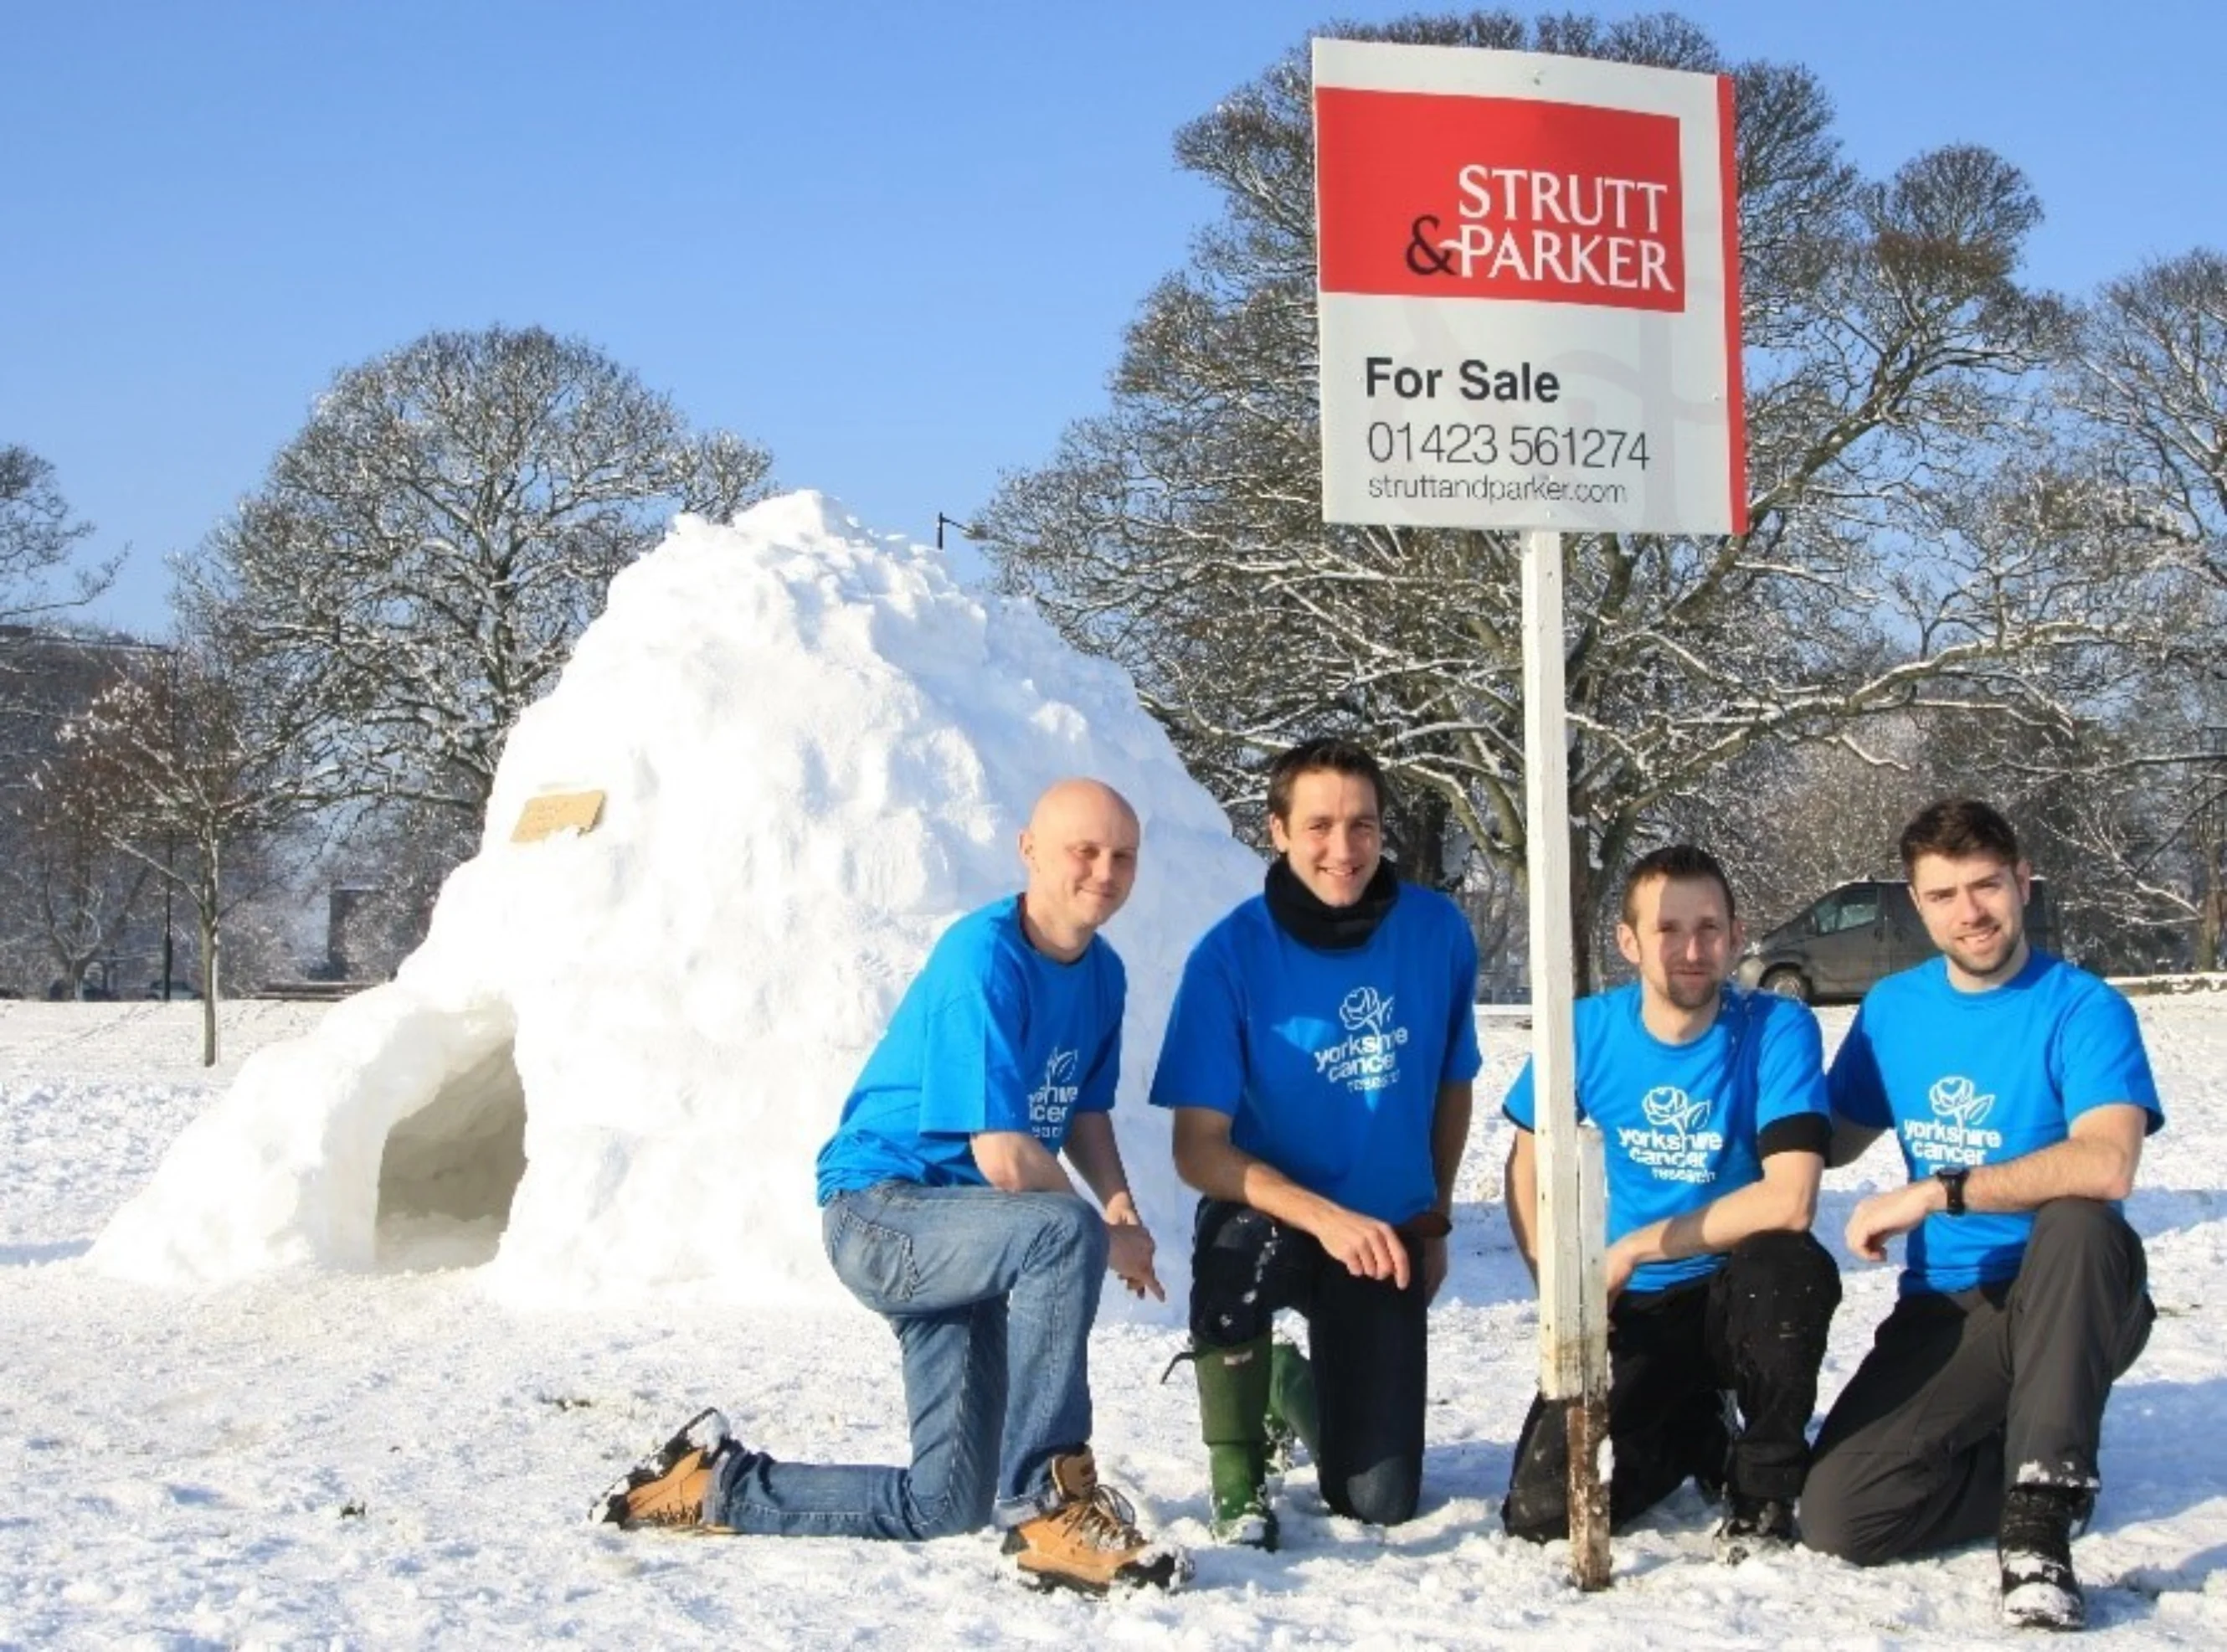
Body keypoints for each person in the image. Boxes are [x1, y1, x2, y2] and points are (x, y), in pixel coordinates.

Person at [590, 778, 1188, 1597]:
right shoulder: (982, 955)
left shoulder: (1102, 974)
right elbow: (1009, 1155)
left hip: (970, 1232)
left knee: (945, 1500)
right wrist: (1098, 1231)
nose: (1104, 871)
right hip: (881, 1213)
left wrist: (1120, 1204)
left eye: (1122, 855)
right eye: (1083, 850)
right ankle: (1050, 1501)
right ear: (1029, 850)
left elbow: (1082, 1106)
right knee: (1060, 1229)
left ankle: (706, 1483)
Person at [1801, 800, 2163, 1631]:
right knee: (1838, 1514)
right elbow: (1831, 1139)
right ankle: (2039, 1433)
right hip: (1947, 1305)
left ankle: (2040, 1509)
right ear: (1914, 902)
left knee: (2075, 1214)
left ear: (2021, 880)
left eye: (1985, 885)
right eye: (1942, 894)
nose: (1968, 911)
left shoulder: (2081, 1007)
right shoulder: (1893, 1009)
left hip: (2071, 1293)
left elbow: (2106, 1161)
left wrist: (1938, 1189)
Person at [1150, 738, 1479, 1546]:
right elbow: (1198, 1148)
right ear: (1278, 830)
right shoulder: (1229, 955)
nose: (1344, 848)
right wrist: (1323, 1216)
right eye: (1321, 824)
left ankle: (1283, 1385)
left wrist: (1432, 1217)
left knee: (1379, 1498)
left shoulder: (1437, 932)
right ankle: (1236, 1469)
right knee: (1237, 1251)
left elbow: (1452, 1082)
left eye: (1362, 825)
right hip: (1277, 1218)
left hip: (1384, 1234)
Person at [1500, 845, 1841, 1562]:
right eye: (1669, 929)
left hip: (1732, 1287)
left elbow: (1792, 1197)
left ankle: (1765, 1484)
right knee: (1539, 1513)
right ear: (1628, 941)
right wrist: (1563, 1294)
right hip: (1634, 1305)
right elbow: (1531, 1160)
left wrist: (1633, 1246)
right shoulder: (1585, 1030)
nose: (1692, 949)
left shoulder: (1777, 1028)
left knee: (1790, 1265)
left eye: (1709, 928)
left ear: (1736, 935)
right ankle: (1691, 1431)